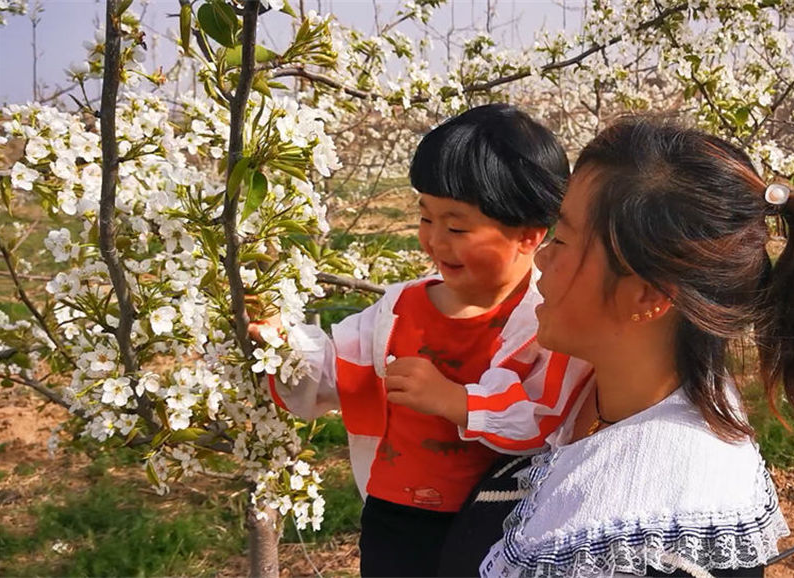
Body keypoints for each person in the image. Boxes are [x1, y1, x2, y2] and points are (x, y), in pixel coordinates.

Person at [457, 116, 794, 578]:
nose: (542, 256)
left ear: (648, 294)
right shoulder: (569, 387)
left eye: (561, 239)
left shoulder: (667, 529)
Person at [250, 104, 593, 577]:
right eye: (425, 218)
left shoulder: (544, 320)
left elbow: (544, 414)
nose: (433, 240)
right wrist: (278, 340)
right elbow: (332, 370)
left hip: (494, 518)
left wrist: (456, 401)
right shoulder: (400, 308)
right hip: (397, 516)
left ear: (529, 235)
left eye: (456, 227)